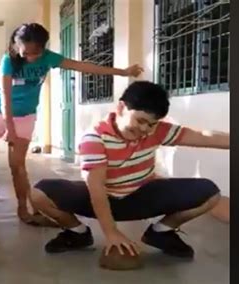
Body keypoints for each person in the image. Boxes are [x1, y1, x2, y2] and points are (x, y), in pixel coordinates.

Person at [0, 23, 144, 225]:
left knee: (18, 166)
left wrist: (122, 72)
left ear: (43, 48)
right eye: (26, 53)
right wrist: (10, 129)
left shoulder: (49, 58)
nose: (31, 57)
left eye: (36, 53)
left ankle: (24, 209)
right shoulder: (8, 60)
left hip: (25, 115)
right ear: (16, 45)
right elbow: (5, 97)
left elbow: (82, 66)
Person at [30, 81, 228, 258]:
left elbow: (204, 136)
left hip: (143, 197)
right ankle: (77, 233)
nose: (145, 129)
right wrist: (111, 233)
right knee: (39, 193)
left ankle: (161, 233)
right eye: (140, 121)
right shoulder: (95, 138)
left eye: (151, 124)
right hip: (102, 198)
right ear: (121, 107)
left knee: (210, 193)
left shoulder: (157, 132)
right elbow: (96, 189)